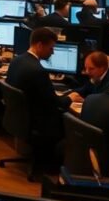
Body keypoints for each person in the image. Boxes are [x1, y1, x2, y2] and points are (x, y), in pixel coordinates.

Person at [5, 28, 78, 166]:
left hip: (18, 117)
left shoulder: (17, 60)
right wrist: (71, 98)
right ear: (39, 45)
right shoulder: (38, 71)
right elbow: (54, 103)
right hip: (37, 123)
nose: (53, 52)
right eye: (51, 48)